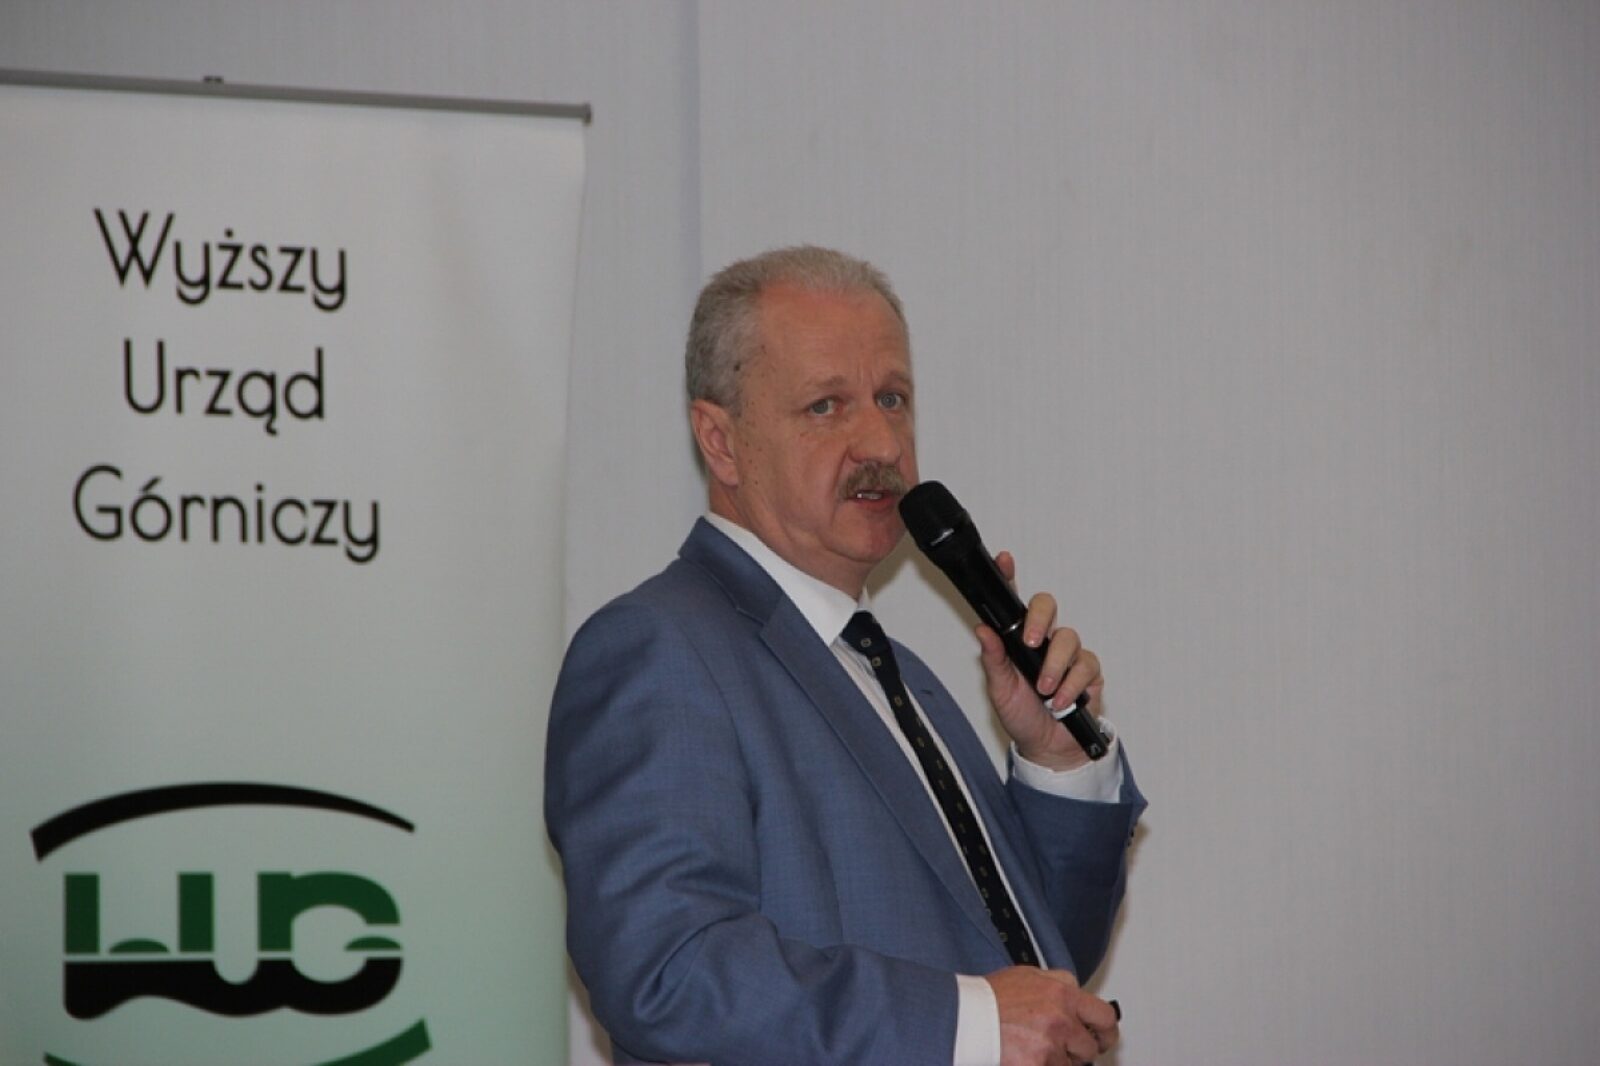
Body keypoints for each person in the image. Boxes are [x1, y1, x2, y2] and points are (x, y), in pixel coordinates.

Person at [545, 246, 1145, 1066]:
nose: (881, 442)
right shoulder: (659, 650)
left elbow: (1040, 970)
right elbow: (667, 970)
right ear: (720, 441)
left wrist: (1056, 763)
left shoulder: (898, 677)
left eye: (892, 398)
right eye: (825, 406)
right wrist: (963, 1023)